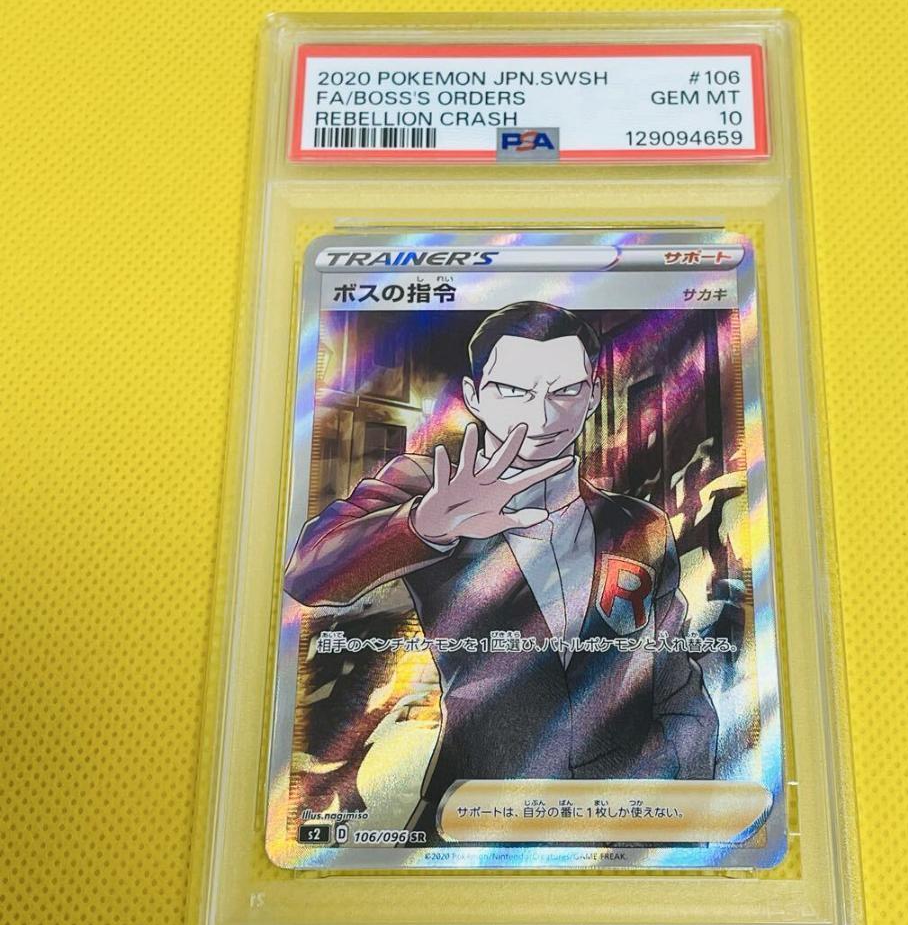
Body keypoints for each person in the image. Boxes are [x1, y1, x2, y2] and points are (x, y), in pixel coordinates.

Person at [285, 301, 718, 836]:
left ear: (591, 395)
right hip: (478, 809)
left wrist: (679, 789)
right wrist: (425, 523)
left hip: (623, 817)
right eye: (513, 391)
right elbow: (309, 572)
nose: (542, 417)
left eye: (564, 391)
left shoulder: (639, 523)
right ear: (474, 397)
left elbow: (674, 676)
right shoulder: (433, 485)